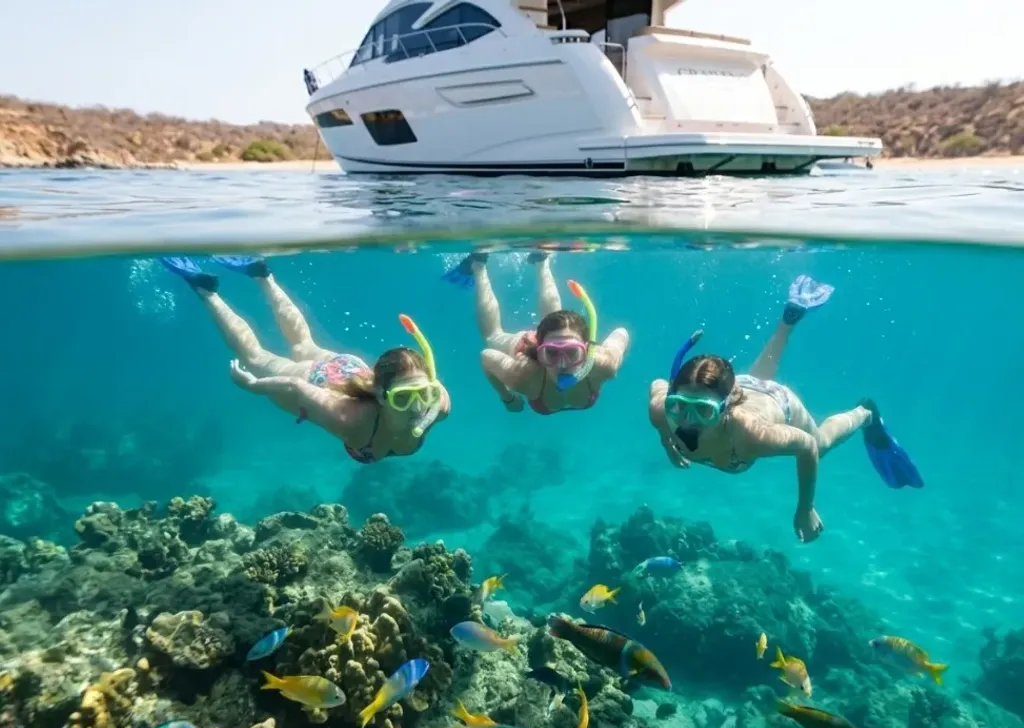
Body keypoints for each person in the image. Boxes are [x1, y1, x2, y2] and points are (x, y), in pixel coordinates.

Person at [647, 275, 922, 544]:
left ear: (726, 408)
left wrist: (805, 509)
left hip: (778, 401)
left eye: (704, 411)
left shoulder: (753, 435)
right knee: (756, 379)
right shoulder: (663, 412)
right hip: (742, 387)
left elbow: (807, 448)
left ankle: (865, 413)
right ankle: (789, 318)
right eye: (679, 406)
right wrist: (667, 442)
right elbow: (658, 384)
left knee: (821, 444)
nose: (687, 421)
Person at [160, 254, 449, 463]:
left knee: (303, 344)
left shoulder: (438, 406)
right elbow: (295, 387)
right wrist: (253, 385)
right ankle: (205, 290)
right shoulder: (350, 420)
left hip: (349, 369)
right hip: (317, 380)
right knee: (254, 357)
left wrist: (424, 390)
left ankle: (262, 275)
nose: (417, 407)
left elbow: (430, 389)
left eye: (424, 393)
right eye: (403, 398)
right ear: (382, 396)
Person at [442, 251, 629, 414]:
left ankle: (541, 261)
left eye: (572, 353)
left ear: (586, 351)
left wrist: (604, 353)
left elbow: (622, 333)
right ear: (540, 352)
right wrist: (506, 397)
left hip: (555, 345)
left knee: (555, 325)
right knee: (492, 336)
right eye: (552, 354)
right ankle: (479, 266)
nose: (562, 364)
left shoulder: (603, 366)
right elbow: (486, 356)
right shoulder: (524, 376)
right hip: (523, 345)